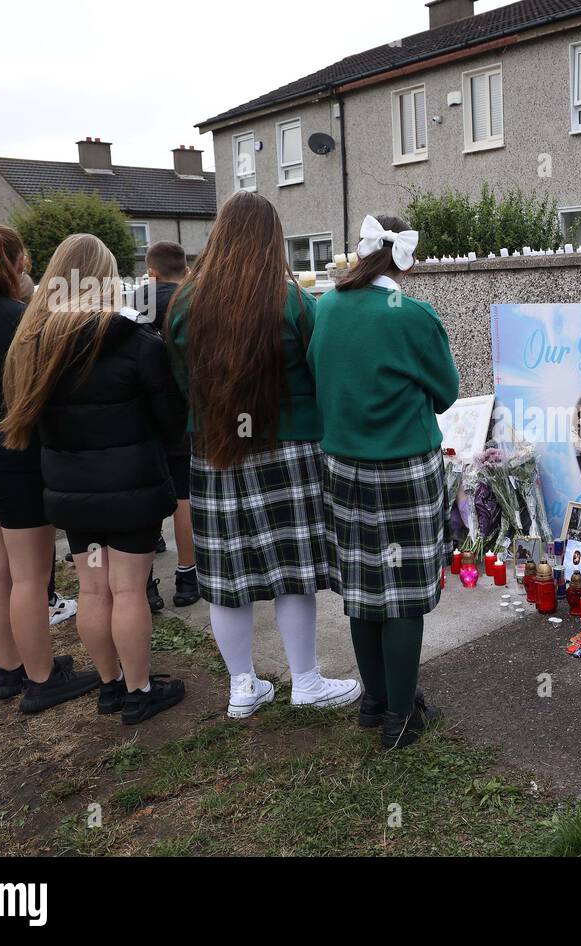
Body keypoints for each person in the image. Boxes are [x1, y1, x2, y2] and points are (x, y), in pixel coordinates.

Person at [166, 191, 360, 719]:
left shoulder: (184, 304)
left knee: (229, 577)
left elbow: (183, 382)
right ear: (272, 240)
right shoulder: (294, 301)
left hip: (215, 453)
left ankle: (242, 687)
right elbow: (321, 371)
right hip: (290, 451)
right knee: (292, 571)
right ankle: (305, 681)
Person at [0, 234, 187, 724]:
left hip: (72, 491)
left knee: (93, 588)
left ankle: (109, 684)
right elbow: (172, 420)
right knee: (127, 590)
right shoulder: (136, 340)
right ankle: (140, 689)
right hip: (130, 489)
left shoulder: (34, 345)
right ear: (105, 278)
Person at [0, 224, 99, 711]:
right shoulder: (22, 319)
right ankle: (44, 679)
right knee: (30, 576)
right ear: (18, 262)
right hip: (15, 460)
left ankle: (11, 670)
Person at [308, 213, 458, 749]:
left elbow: (318, 375)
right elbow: (446, 392)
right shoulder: (412, 315)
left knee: (362, 584)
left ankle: (374, 702)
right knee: (405, 594)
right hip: (404, 467)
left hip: (343, 464)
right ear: (404, 258)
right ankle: (401, 716)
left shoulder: (326, 306)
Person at [137, 241, 198, 611]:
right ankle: (187, 576)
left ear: (151, 272)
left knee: (143, 494)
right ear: (185, 271)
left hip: (140, 412)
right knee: (183, 496)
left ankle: (145, 582)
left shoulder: (134, 302)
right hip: (182, 411)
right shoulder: (193, 301)